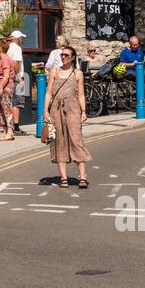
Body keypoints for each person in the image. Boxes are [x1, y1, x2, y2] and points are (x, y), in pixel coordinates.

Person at [43, 45, 91, 188]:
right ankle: (63, 178)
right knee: (59, 142)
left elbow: (81, 94)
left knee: (76, 140)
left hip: (73, 108)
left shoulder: (78, 74)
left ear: (73, 58)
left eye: (66, 55)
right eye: (62, 55)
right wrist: (45, 110)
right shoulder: (54, 71)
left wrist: (84, 111)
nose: (63, 57)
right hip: (56, 109)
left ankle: (82, 177)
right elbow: (48, 93)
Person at [0, 38, 15, 140]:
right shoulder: (3, 59)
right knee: (0, 109)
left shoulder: (5, 59)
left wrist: (1, 87)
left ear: (0, 48)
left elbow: (6, 76)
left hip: (5, 88)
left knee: (6, 109)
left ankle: (10, 132)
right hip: (2, 87)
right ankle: (5, 130)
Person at [6, 30, 27, 134]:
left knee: (10, 102)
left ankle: (10, 126)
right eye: (21, 38)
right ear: (17, 38)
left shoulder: (8, 48)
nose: (22, 39)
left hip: (9, 77)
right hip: (16, 78)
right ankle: (16, 127)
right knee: (17, 102)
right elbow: (16, 63)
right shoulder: (17, 48)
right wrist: (19, 77)